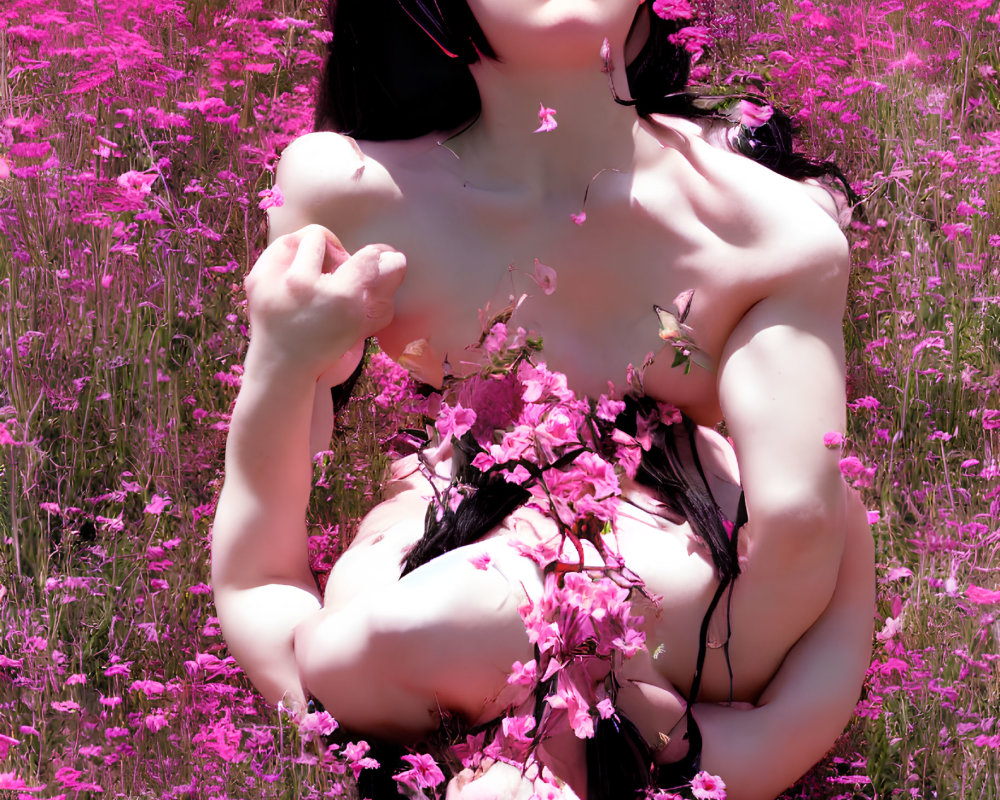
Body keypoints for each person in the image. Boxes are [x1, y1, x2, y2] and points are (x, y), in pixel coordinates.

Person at [210, 1, 876, 798]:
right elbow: (812, 535)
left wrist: (281, 357)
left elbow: (254, 585)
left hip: (460, 526)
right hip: (678, 553)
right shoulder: (707, 728)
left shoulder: (359, 672)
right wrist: (673, 726)